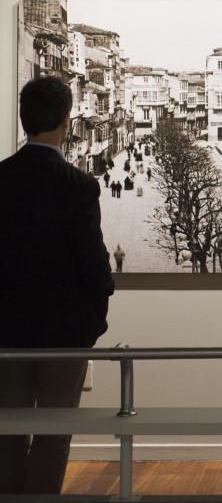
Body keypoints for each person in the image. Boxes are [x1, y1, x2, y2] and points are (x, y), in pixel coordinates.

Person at [0, 76, 114, 494]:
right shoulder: (79, 187)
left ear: (23, 118)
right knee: (55, 432)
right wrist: (92, 324)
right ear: (67, 121)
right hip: (64, 336)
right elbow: (94, 265)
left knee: (6, 432)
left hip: (6, 334)